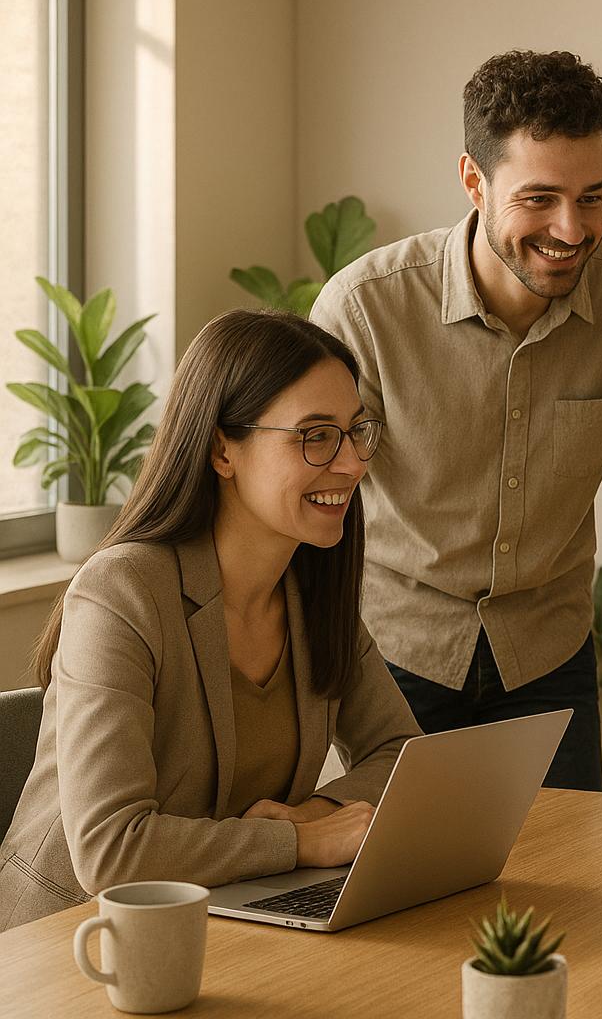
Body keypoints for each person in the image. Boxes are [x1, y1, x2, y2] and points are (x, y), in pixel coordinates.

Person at [309, 49, 602, 792]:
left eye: (593, 197)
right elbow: (309, 498)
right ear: (473, 180)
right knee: (404, 896)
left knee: (568, 891)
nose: (571, 229)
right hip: (392, 660)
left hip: (549, 659)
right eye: (540, 199)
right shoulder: (365, 308)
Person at [0, 310, 422, 932]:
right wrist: (301, 844)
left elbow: (401, 752)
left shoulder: (313, 591)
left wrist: (315, 811)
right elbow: (112, 851)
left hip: (226, 919)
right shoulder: (122, 593)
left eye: (355, 431)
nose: (352, 463)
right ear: (224, 449)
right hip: (70, 941)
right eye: (314, 435)